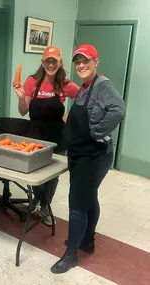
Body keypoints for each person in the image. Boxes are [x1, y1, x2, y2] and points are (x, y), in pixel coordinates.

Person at [51, 44, 126, 274]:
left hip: (95, 154)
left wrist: (96, 132)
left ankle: (71, 254)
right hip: (83, 153)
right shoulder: (84, 88)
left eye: (86, 61)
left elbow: (118, 110)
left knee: (77, 205)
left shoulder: (103, 85)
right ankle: (87, 239)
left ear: (96, 61)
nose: (81, 65)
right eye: (78, 62)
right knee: (89, 197)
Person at [0, 46, 79, 225]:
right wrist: (22, 98)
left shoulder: (65, 84)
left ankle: (46, 205)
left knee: (52, 175)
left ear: (60, 62)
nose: (51, 64)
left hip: (57, 136)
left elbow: (84, 96)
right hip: (35, 135)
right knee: (34, 172)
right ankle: (37, 198)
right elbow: (23, 111)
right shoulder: (33, 81)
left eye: (54, 61)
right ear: (43, 62)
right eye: (48, 60)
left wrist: (71, 115)